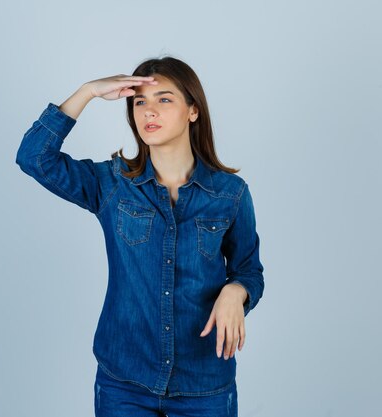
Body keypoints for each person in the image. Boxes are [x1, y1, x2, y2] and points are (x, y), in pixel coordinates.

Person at [15, 56, 265, 417]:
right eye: (139, 102)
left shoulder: (230, 194)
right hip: (124, 383)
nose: (149, 111)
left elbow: (249, 271)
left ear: (193, 110)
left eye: (164, 99)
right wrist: (87, 92)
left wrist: (235, 290)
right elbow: (33, 157)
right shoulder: (113, 185)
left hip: (204, 385)